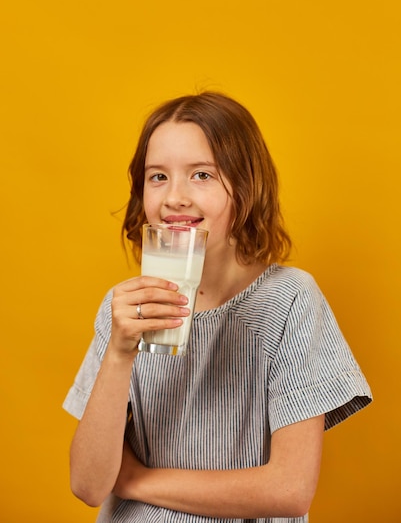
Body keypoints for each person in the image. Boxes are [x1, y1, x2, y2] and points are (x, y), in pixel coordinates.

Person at [63, 91, 372, 523]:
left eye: (202, 175)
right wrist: (118, 352)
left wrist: (133, 480)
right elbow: (89, 484)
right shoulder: (122, 310)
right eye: (157, 177)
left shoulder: (290, 299)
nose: (174, 197)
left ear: (245, 187)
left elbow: (290, 490)